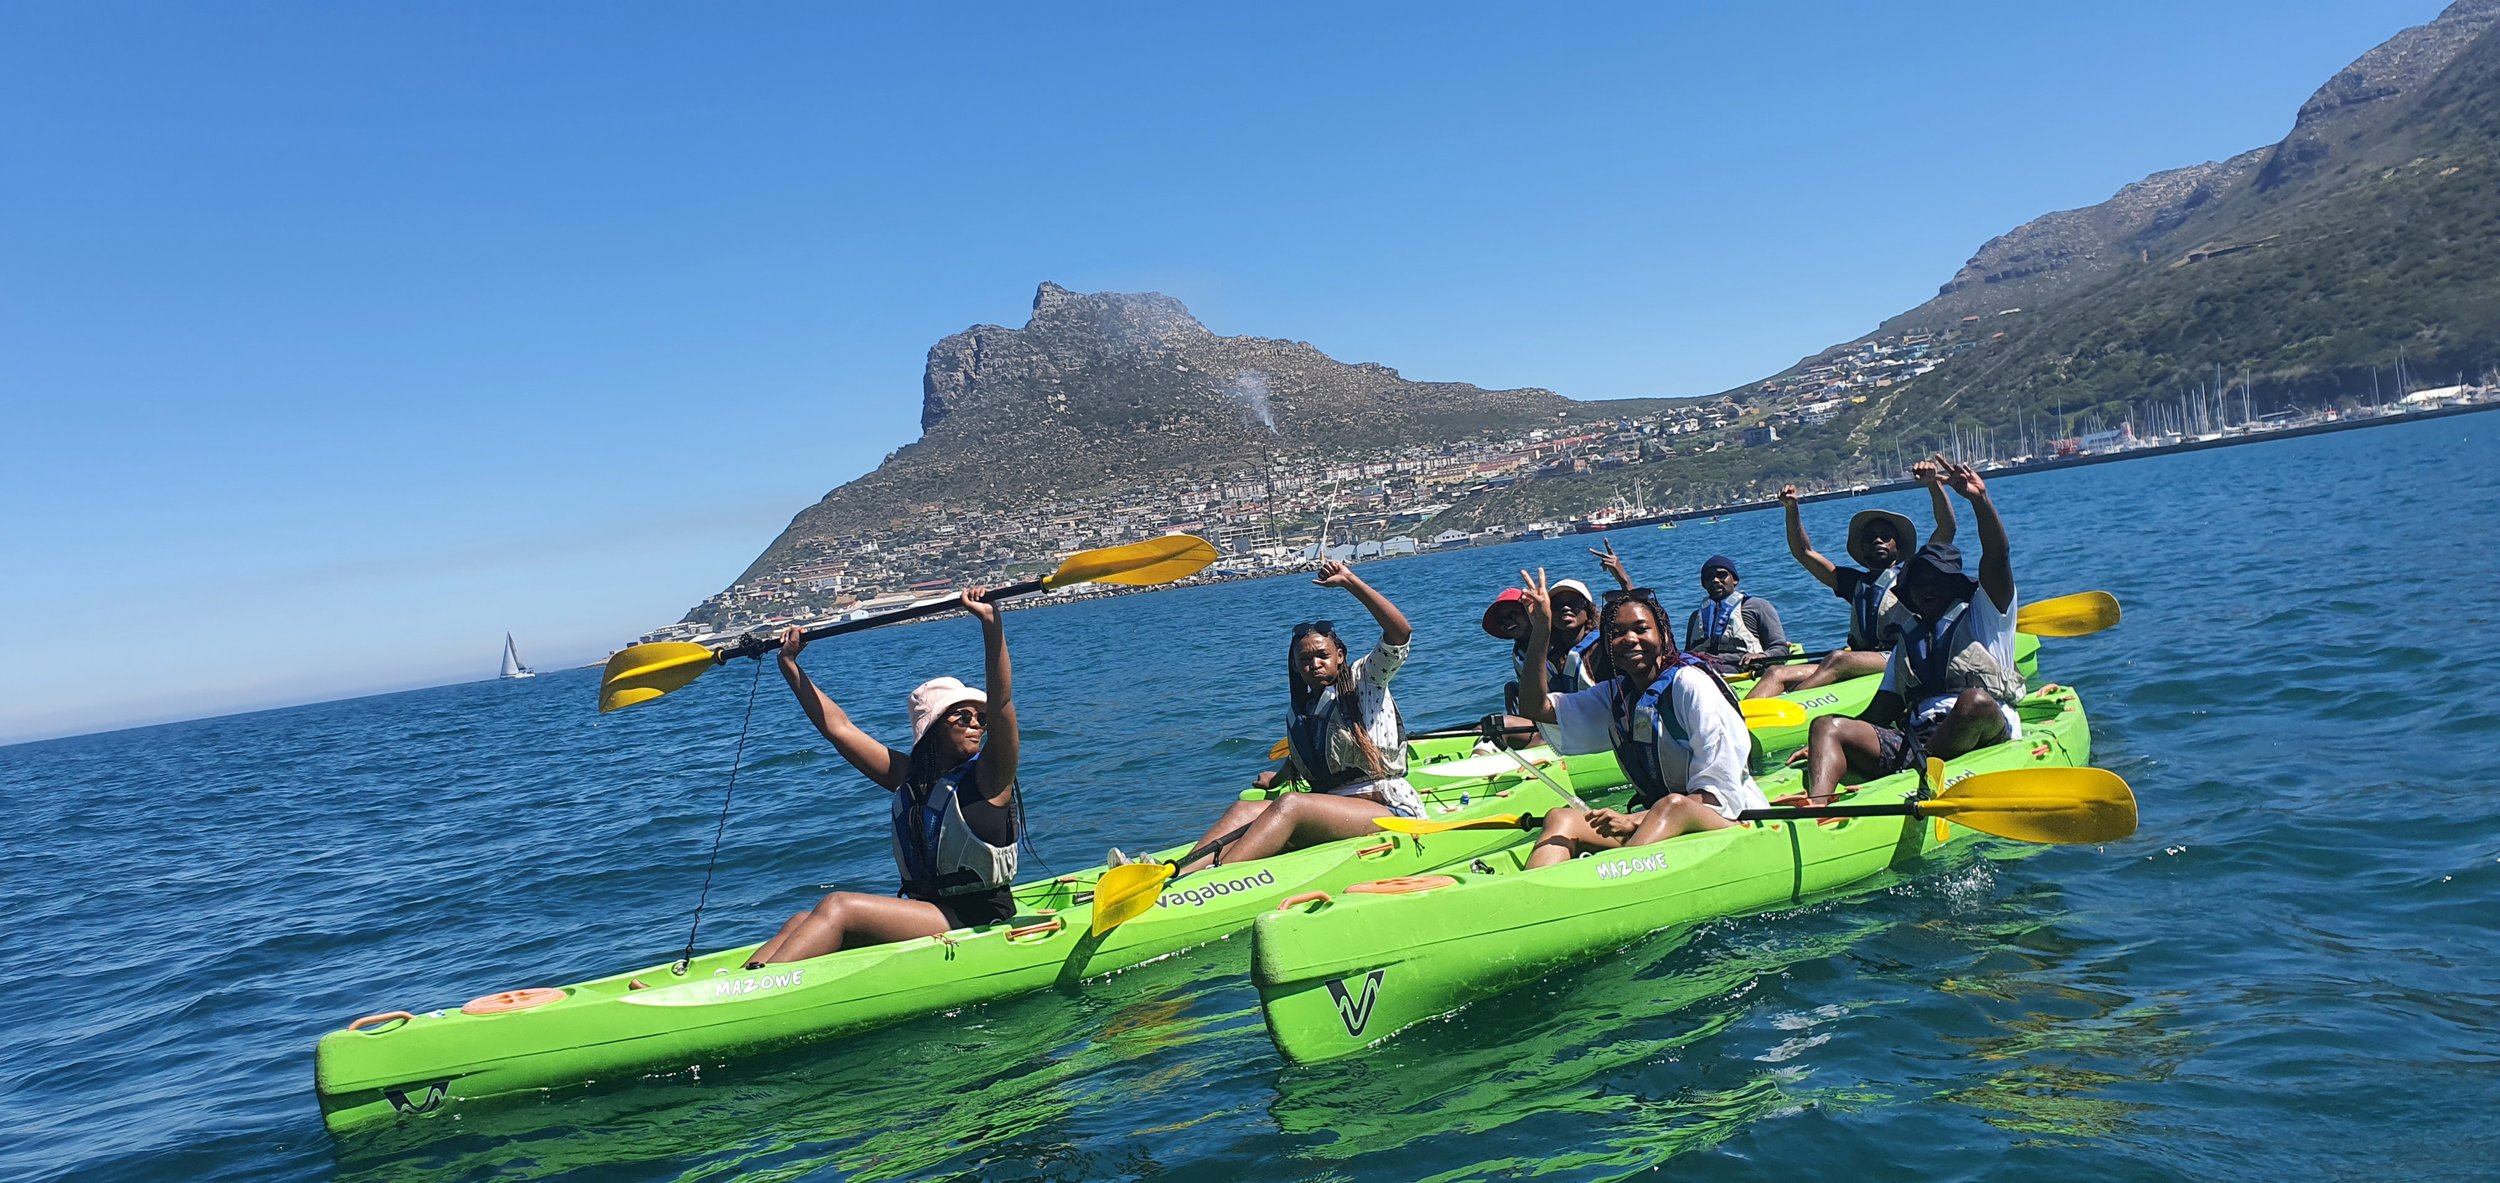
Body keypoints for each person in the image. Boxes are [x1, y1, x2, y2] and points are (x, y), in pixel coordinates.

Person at [743, 587, 1021, 966]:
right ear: (933, 729)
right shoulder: (909, 777)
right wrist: (790, 667)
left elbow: (1002, 704)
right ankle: (738, 982)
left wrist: (991, 625)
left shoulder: (990, 777)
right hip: (929, 912)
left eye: (981, 718)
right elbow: (839, 729)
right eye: (963, 716)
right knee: (799, 921)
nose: (977, 724)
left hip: (978, 917)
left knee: (840, 906)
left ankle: (759, 987)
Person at [1166, 560, 1418, 874]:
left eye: (1323, 655)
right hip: (1330, 810)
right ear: (1296, 667)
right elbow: (1310, 757)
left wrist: (1350, 582)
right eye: (1305, 659)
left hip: (1387, 810)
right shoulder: (1303, 709)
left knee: (1291, 804)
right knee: (1244, 809)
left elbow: (1399, 633)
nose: (1315, 664)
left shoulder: (1366, 680)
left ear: (1340, 656)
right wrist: (1276, 779)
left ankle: (1218, 879)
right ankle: (1178, 873)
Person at [1800, 456, 2024, 805]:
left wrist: (1980, 501)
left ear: (1954, 586)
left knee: (1974, 702)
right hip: (1918, 740)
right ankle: (1817, 807)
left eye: (1937, 580)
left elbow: (1997, 556)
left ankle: (1911, 776)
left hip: (1981, 730)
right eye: (1918, 582)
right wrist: (1829, 744)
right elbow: (1879, 714)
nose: (1926, 588)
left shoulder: (1986, 614)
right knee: (1825, 725)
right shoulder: (1909, 640)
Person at [1512, 572, 1770, 869]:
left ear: (1663, 635)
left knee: (1673, 806)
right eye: (1618, 633)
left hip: (1732, 821)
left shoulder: (1690, 685)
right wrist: (1541, 631)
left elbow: (1719, 794)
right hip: (1655, 825)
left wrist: (1634, 819)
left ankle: (1616, 881)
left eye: (1641, 629)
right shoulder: (1615, 695)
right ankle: (1532, 889)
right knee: (1561, 818)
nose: (1630, 639)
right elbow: (1535, 708)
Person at [1745, 461, 1958, 700]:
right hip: (1860, 659)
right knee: (1776, 672)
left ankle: (1790, 702)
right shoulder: (1853, 583)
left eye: (1885, 536)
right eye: (1870, 538)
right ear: (1862, 549)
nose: (1877, 540)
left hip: (1900, 657)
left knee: (1838, 659)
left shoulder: (1914, 574)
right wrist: (1791, 509)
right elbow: (1803, 552)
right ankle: (1744, 715)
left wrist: (1933, 485)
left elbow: (1946, 529)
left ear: (1898, 546)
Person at [1477, 540, 1635, 748]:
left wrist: (1624, 580)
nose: (1566, 609)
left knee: (1517, 733)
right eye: (1558, 605)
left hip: (1598, 729)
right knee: (1487, 729)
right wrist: (1514, 687)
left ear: (1588, 610)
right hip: (1559, 721)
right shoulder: (1544, 650)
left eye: (1575, 603)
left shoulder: (1602, 645)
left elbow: (1637, 620)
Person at [1684, 554, 1786, 675]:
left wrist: (1763, 655)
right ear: (1704, 584)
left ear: (1734, 580)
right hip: (1700, 670)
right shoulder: (1695, 617)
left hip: (1742, 669)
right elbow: (1687, 653)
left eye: (1721, 575)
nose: (1715, 580)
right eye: (1709, 577)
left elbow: (1780, 649)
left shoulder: (1757, 607)